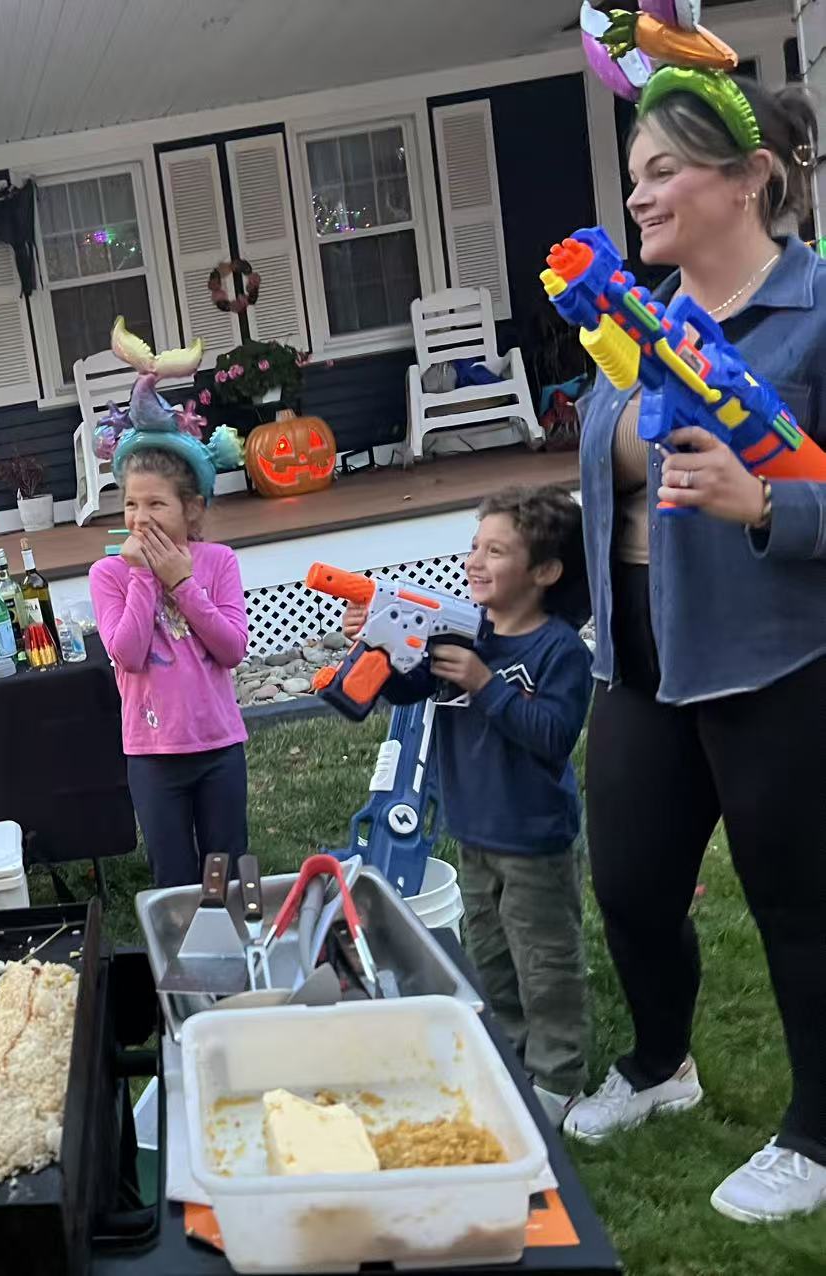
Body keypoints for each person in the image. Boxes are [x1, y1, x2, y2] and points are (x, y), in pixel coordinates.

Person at [563, 64, 826, 1223]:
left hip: (775, 657)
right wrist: (624, 433)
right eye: (633, 179)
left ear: (747, 178)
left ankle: (818, 1127)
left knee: (797, 899)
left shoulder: (814, 317)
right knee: (626, 879)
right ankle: (663, 1062)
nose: (639, 198)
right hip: (643, 653)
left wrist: (767, 503)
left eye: (661, 171)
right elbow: (601, 443)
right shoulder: (646, 318)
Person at [343, 486, 592, 1129]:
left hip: (534, 837)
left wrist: (485, 686)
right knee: (491, 951)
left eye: (496, 550)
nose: (475, 560)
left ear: (544, 572)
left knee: (546, 957)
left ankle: (560, 1074)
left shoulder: (560, 651)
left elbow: (553, 738)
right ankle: (510, 1052)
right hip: (473, 829)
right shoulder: (465, 630)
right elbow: (411, 687)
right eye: (475, 545)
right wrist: (382, 643)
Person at [90, 444, 247, 889]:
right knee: (173, 876)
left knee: (227, 870)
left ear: (192, 510)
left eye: (156, 504)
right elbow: (128, 654)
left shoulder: (219, 562)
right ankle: (181, 955)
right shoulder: (109, 574)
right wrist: (142, 574)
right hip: (153, 754)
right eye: (131, 504)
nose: (140, 517)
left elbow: (232, 648)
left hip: (218, 747)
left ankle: (233, 950)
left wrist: (181, 582)